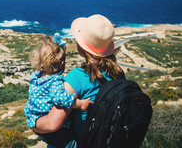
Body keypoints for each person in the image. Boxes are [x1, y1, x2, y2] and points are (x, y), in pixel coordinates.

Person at [32, 14, 125, 144]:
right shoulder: (118, 73)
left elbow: (52, 124)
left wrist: (32, 123)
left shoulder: (76, 77)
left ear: (81, 47)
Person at [24, 34, 91, 148]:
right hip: (54, 131)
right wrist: (80, 104)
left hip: (36, 121)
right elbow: (61, 99)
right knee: (72, 145)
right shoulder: (55, 81)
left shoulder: (36, 78)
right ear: (61, 64)